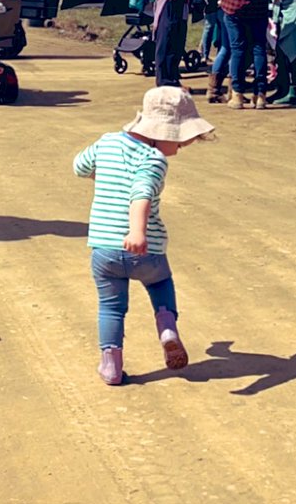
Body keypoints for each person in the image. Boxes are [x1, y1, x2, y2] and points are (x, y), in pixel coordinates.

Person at [73, 86, 214, 385]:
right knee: (161, 282)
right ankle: (167, 329)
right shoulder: (153, 160)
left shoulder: (106, 143)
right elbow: (141, 195)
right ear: (158, 133)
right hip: (144, 250)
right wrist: (136, 232)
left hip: (104, 251)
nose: (181, 146)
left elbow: (79, 167)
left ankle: (110, 367)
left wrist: (106, 176)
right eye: (179, 139)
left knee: (110, 307)